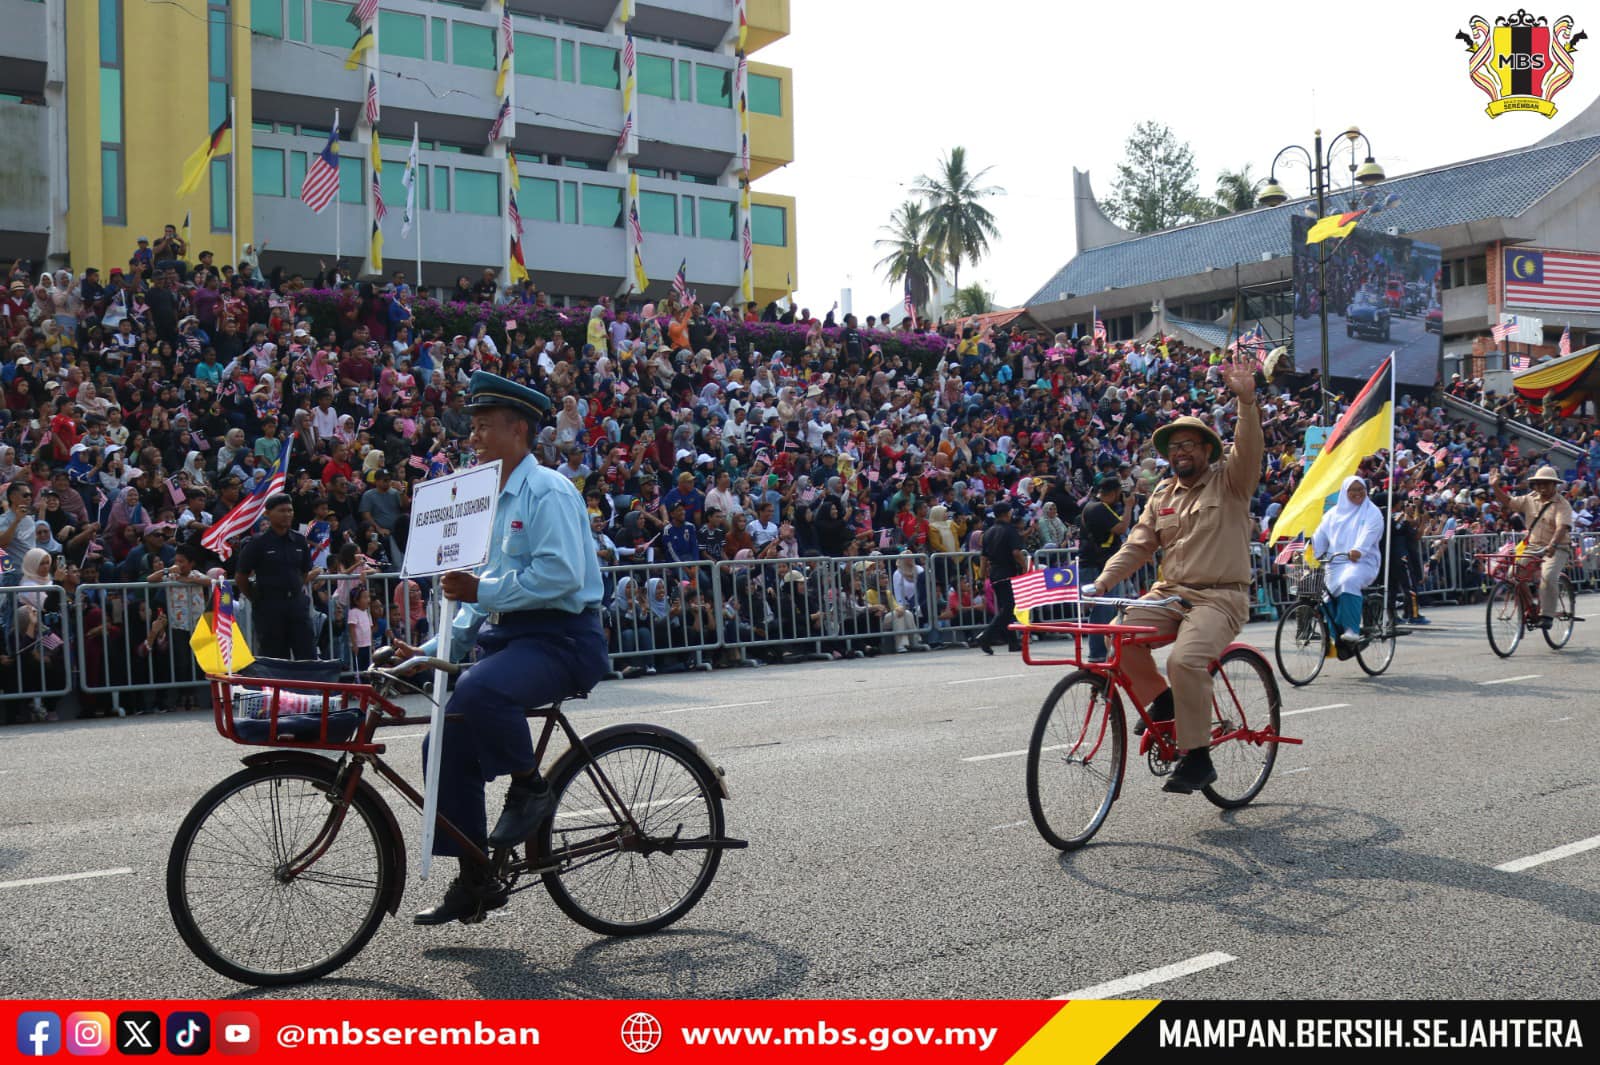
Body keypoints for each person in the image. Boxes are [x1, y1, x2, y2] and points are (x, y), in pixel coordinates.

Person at [389, 370, 609, 927]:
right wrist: (424, 650)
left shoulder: (547, 490)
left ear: (518, 430)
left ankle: (531, 789)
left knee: (478, 687)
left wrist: (479, 588)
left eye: (484, 427)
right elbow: (474, 603)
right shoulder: (490, 500)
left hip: (562, 637)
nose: (474, 438)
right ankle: (475, 878)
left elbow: (560, 577)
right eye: (474, 428)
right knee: (443, 744)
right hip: (512, 637)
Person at [1081, 356, 1262, 795]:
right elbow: (1139, 545)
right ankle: (1165, 707)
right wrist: (1102, 583)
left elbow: (1250, 446)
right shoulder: (1161, 493)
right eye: (1174, 446)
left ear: (1206, 450)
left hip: (1219, 598)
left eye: (1190, 445)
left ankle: (1197, 758)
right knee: (1117, 638)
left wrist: (1246, 402)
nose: (1180, 452)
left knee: (1186, 660)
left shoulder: (1232, 481)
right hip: (1170, 594)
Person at [233, 493, 321, 659]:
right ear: (268, 513)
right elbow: (241, 577)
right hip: (270, 608)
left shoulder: (299, 540)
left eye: (290, 510)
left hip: (297, 605)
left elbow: (303, 572)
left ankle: (308, 686)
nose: (287, 514)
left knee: (307, 655)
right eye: (281, 510)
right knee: (275, 658)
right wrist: (256, 598)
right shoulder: (258, 543)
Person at [1489, 464, 1574, 630]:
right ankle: (1529, 607)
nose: (1542, 487)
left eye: (1546, 483)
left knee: (1548, 576)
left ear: (1554, 485)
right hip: (1533, 546)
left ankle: (1547, 614)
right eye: (1539, 483)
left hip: (1557, 548)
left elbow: (1561, 527)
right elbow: (1508, 502)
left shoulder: (1562, 504)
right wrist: (1495, 487)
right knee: (1513, 575)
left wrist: (1552, 545)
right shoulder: (1529, 499)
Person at [1311, 476, 1383, 644]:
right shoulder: (1332, 514)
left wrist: (1359, 549)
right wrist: (1311, 550)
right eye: (1353, 490)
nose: (1358, 493)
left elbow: (1369, 533)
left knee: (1348, 581)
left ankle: (1352, 628)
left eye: (1361, 489)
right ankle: (1334, 635)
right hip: (1335, 562)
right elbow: (1320, 535)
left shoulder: (1372, 511)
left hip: (1362, 562)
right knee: (1324, 594)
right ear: (1345, 492)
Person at [1078, 473, 1130, 663]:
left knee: (1107, 609)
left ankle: (1104, 652)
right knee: (1102, 610)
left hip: (1099, 564)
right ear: (1115, 492)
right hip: (1096, 566)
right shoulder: (1098, 508)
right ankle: (1098, 653)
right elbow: (1121, 528)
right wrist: (1130, 506)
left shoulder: (1097, 506)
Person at [973, 500, 1026, 654]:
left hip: (995, 574)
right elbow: (1016, 552)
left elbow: (983, 558)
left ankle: (1013, 642)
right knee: (1008, 608)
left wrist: (981, 578)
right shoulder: (1010, 531)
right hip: (1007, 573)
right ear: (1006, 513)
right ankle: (986, 636)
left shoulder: (988, 532)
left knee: (1006, 608)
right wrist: (1024, 566)